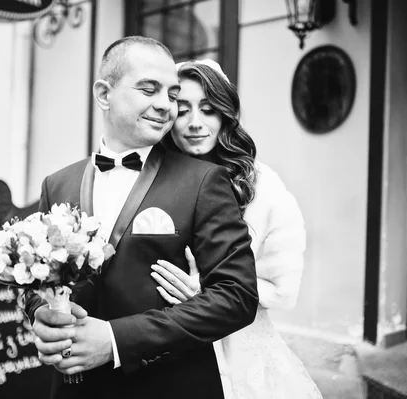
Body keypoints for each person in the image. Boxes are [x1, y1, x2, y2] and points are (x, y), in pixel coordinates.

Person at [23, 36, 259, 399]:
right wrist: (42, 315)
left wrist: (117, 340)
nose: (166, 105)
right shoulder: (57, 184)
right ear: (104, 94)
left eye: (172, 93)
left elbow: (237, 296)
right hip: (74, 389)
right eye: (150, 89)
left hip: (171, 385)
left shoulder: (203, 181)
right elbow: (37, 283)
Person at [150, 59, 323, 399]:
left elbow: (283, 289)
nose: (195, 123)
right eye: (182, 111)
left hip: (238, 345)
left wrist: (212, 289)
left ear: (226, 115)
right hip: (164, 345)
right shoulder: (151, 179)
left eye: (209, 110)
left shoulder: (261, 186)